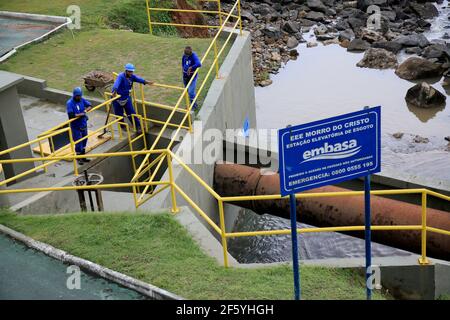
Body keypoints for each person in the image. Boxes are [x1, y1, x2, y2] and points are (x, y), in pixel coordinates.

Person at [111, 63, 154, 132]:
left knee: (131, 112)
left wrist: (146, 82)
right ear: (126, 71)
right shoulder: (121, 76)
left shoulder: (132, 77)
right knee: (119, 114)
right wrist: (114, 92)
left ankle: (138, 126)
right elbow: (116, 84)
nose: (131, 73)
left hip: (126, 97)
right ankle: (123, 126)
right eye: (130, 71)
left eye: (132, 71)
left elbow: (138, 79)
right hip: (117, 98)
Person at [66, 87, 92, 165]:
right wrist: (80, 114)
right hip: (75, 126)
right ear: (74, 95)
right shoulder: (70, 103)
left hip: (83, 123)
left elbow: (90, 105)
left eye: (80, 96)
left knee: (85, 139)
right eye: (77, 96)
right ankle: (79, 158)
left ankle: (83, 156)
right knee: (78, 141)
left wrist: (85, 110)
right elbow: (71, 115)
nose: (79, 97)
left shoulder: (82, 100)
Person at [182, 46, 202, 111]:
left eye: (187, 55)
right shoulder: (184, 56)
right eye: (185, 55)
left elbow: (199, 64)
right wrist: (184, 71)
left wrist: (191, 68)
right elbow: (183, 64)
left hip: (192, 77)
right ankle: (189, 104)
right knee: (187, 91)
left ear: (190, 53)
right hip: (185, 77)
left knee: (191, 92)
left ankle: (194, 105)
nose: (186, 57)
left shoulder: (194, 56)